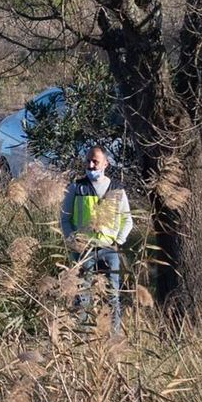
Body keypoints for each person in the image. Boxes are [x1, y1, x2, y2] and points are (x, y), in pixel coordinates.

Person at [58, 144, 134, 337]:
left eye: (95, 161)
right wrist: (72, 240)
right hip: (83, 251)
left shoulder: (117, 190)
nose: (91, 165)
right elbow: (64, 218)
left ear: (106, 164)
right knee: (82, 297)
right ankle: (81, 338)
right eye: (88, 161)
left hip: (109, 249)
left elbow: (127, 220)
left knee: (112, 296)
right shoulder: (77, 187)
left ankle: (113, 338)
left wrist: (118, 241)